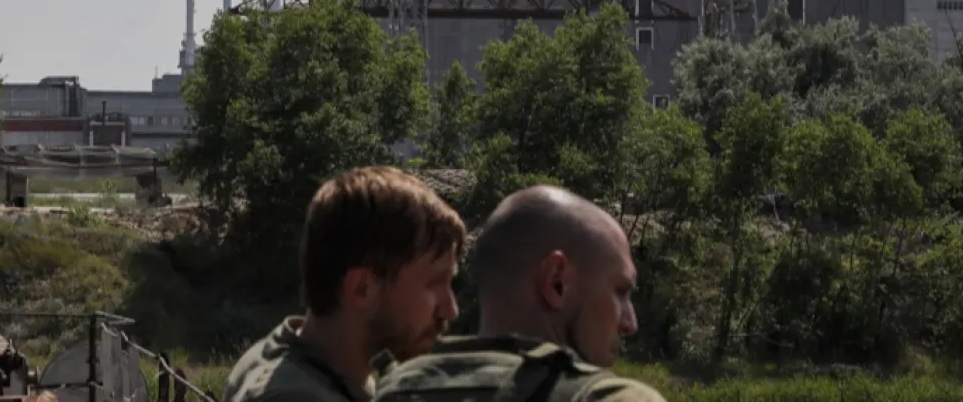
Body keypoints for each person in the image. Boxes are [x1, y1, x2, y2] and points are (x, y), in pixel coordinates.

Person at [373, 185, 666, 402]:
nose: (630, 323)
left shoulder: (389, 391)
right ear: (556, 282)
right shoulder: (615, 398)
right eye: (620, 291)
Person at [223, 166, 467, 402]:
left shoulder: (316, 362)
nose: (450, 309)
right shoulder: (293, 396)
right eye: (434, 283)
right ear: (362, 288)